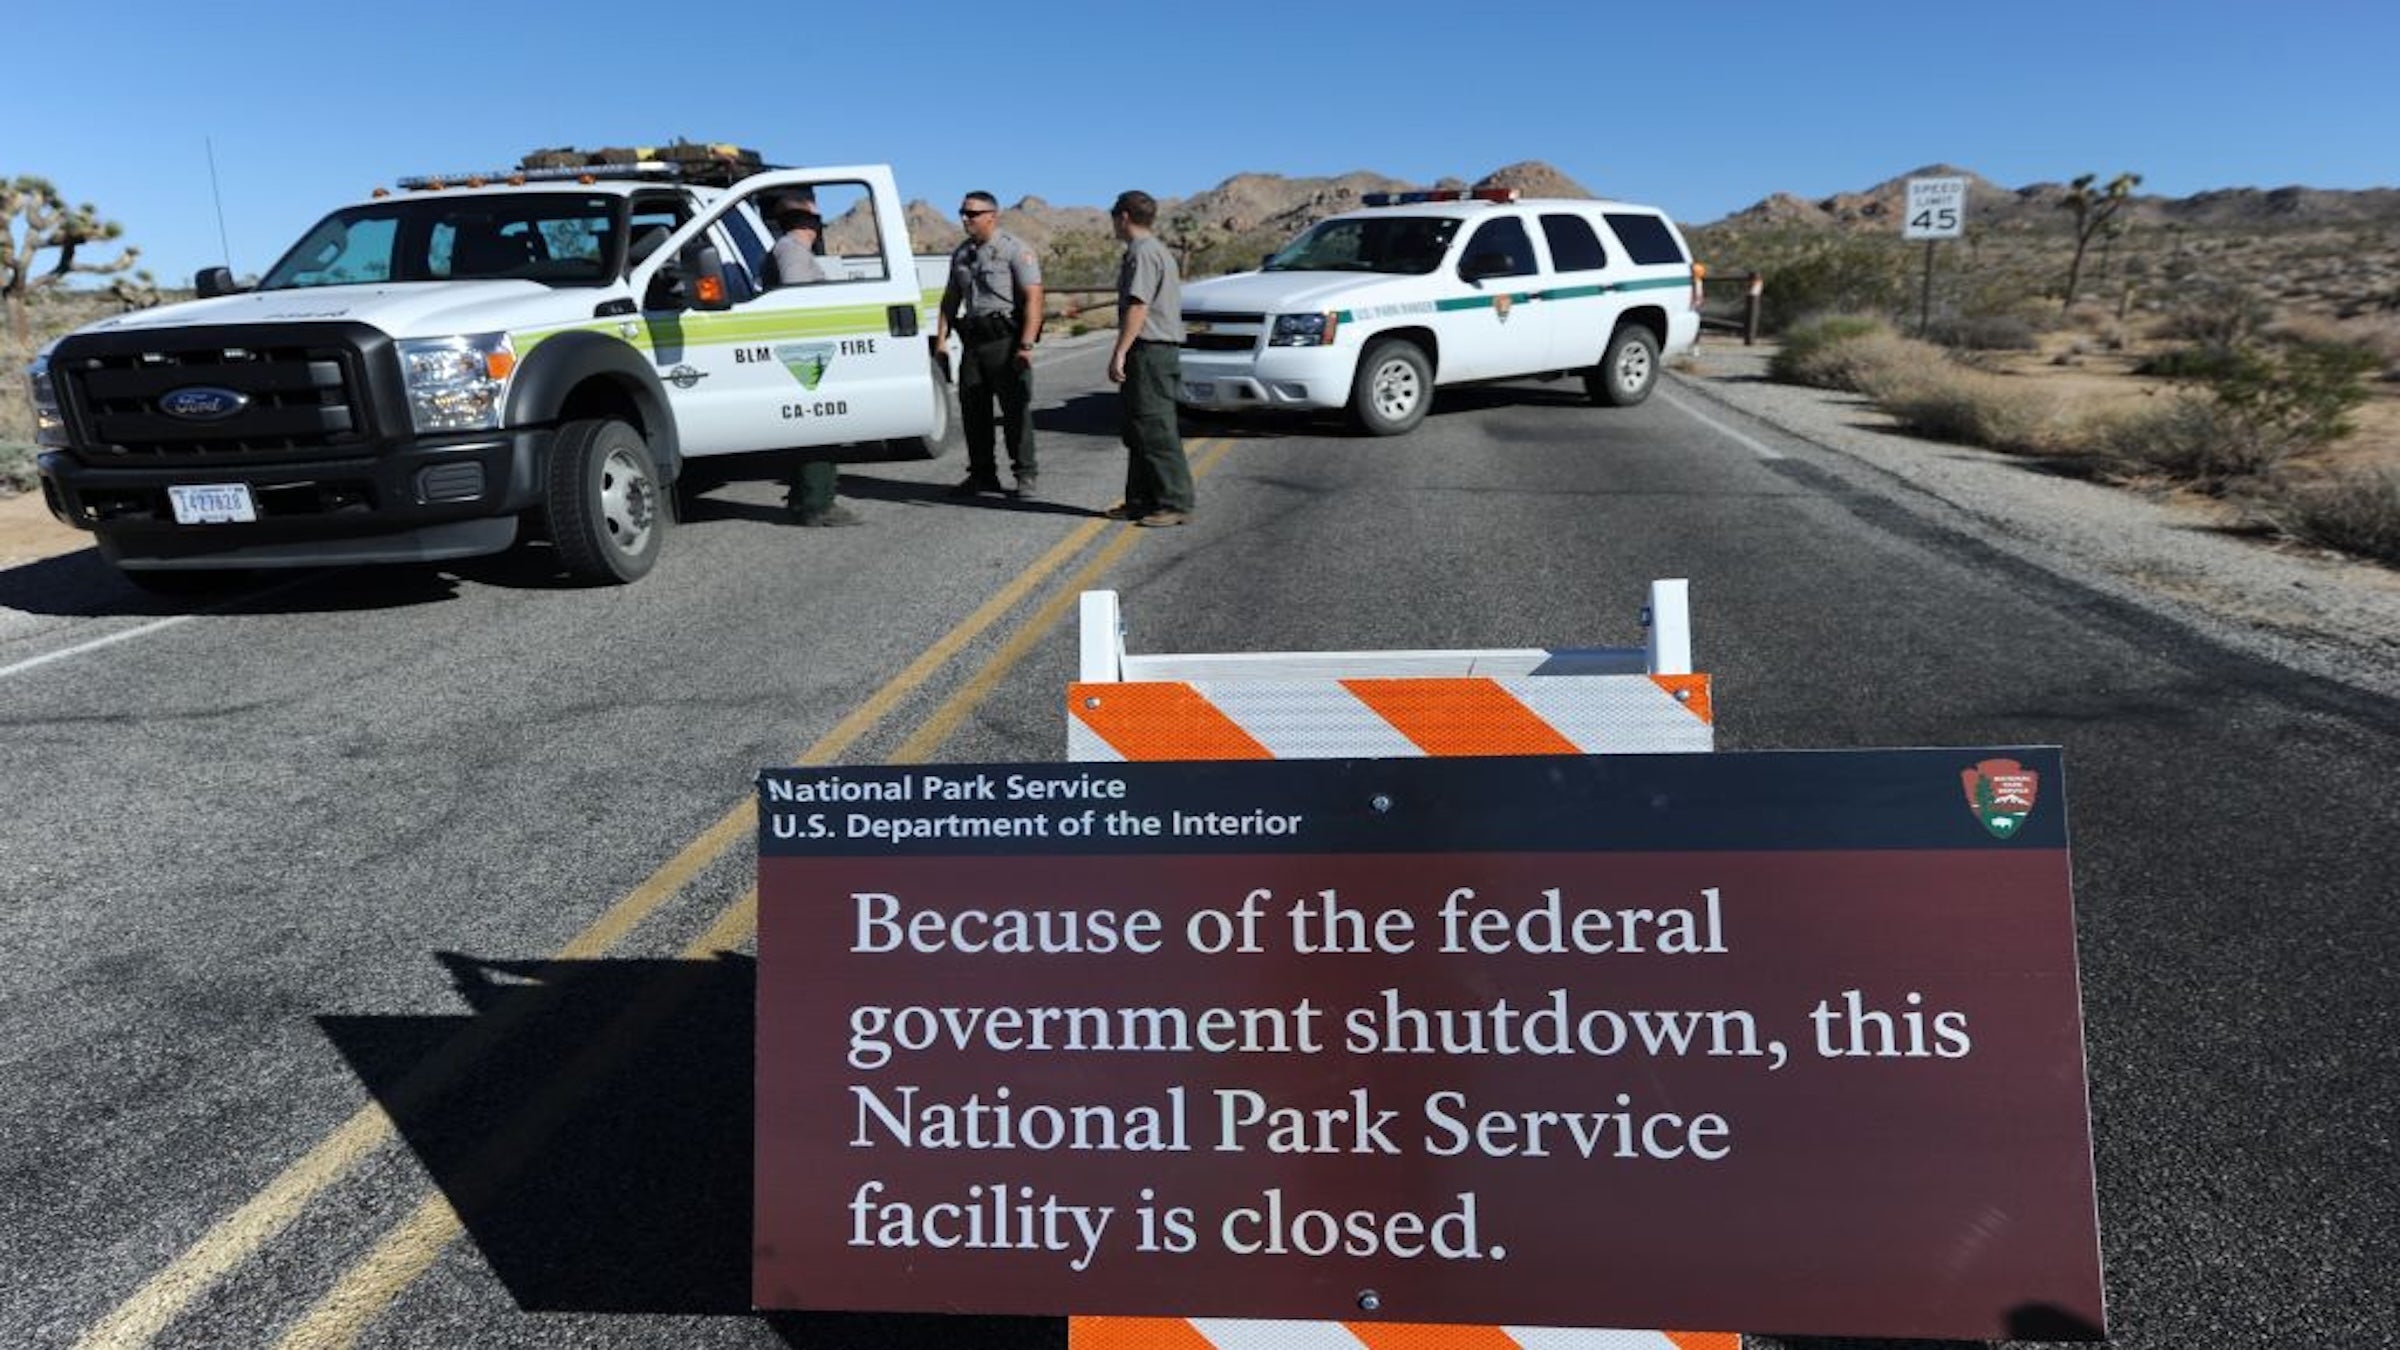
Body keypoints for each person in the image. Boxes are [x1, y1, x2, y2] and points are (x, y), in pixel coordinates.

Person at [935, 191, 1044, 498]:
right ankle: (982, 475)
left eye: (972, 213)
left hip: (1006, 341)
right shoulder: (961, 254)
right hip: (974, 343)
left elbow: (1034, 297)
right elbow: (950, 299)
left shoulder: (1015, 250)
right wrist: (941, 342)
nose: (965, 218)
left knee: (1015, 412)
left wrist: (1026, 346)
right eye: (963, 212)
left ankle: (1025, 474)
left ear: (991, 215)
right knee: (973, 412)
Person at [764, 200, 858, 526]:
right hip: (804, 348)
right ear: (812, 227)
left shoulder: (785, 248)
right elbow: (798, 299)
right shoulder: (792, 251)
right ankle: (818, 504)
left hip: (801, 348)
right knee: (819, 425)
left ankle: (804, 500)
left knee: (809, 427)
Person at [1105, 190, 1191, 527]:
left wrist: (1120, 351)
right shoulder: (1149, 251)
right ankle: (1141, 500)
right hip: (1151, 350)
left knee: (1155, 428)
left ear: (1124, 217)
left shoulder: (1143, 254)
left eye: (1114, 216)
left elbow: (1139, 307)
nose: (1113, 223)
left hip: (1151, 350)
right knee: (1138, 428)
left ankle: (1175, 501)